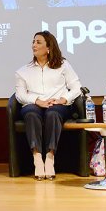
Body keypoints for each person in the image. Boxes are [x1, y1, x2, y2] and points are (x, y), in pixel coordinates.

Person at [14, 30, 82, 180]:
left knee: (53, 113)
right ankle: (37, 157)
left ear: (49, 47)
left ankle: (50, 157)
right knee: (31, 113)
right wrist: (37, 100)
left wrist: (63, 99)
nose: (34, 45)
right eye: (33, 42)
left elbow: (76, 87)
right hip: (34, 104)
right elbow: (20, 95)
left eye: (38, 42)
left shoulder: (63, 65)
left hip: (57, 104)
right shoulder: (23, 71)